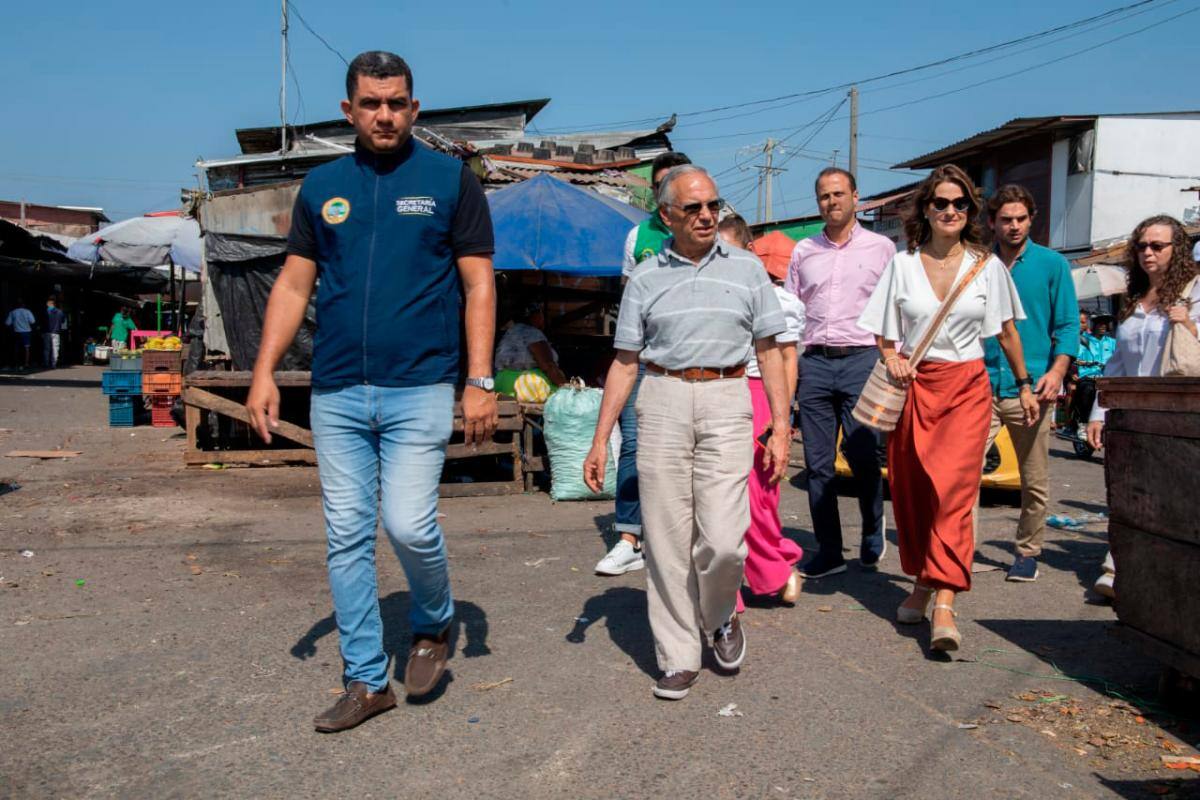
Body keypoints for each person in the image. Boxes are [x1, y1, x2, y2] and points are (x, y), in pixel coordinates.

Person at [245, 50, 498, 732]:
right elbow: (295, 285)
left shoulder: (450, 181)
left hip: (421, 385)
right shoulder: (322, 185)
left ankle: (434, 620)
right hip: (337, 392)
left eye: (396, 103)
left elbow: (478, 283)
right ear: (348, 110)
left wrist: (479, 380)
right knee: (346, 537)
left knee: (408, 523)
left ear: (414, 108)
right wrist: (264, 371)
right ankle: (365, 679)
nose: (384, 114)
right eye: (371, 103)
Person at [582, 166, 792, 700]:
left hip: (726, 398)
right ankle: (678, 654)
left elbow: (770, 350)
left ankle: (719, 615)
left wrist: (782, 425)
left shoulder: (747, 270)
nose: (706, 216)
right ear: (666, 215)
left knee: (723, 539)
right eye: (693, 208)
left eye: (713, 206)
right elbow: (625, 362)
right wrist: (601, 438)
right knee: (667, 538)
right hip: (662, 400)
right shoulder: (647, 278)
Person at [858, 164, 1038, 652]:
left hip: (966, 390)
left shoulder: (988, 266)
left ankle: (944, 603)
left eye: (960, 204)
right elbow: (882, 327)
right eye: (941, 203)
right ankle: (921, 581)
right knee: (915, 493)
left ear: (971, 211)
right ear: (926, 209)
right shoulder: (902, 263)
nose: (951, 211)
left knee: (953, 496)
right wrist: (891, 357)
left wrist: (1024, 385)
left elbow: (1006, 332)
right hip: (916, 387)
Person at [785, 167, 895, 578]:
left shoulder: (882, 248)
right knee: (817, 464)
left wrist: (892, 360)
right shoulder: (803, 251)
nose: (831, 202)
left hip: (862, 360)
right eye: (824, 196)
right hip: (813, 362)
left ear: (855, 197)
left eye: (838, 194)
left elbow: (893, 307)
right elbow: (791, 313)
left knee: (863, 452)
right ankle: (829, 549)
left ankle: (871, 526)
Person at [1086, 215, 1200, 600]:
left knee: (1169, 499)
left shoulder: (1195, 293)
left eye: (1157, 246)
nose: (1147, 253)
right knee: (1132, 494)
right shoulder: (1134, 299)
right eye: (1142, 246)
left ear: (1177, 249)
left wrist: (1189, 324)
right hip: (1133, 415)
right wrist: (1099, 412)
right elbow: (1117, 362)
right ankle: (1122, 567)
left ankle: (1126, 570)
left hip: (1177, 415)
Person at [595, 150, 693, 576]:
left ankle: (682, 537)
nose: (665, 192)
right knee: (634, 444)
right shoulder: (638, 237)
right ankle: (630, 537)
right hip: (644, 361)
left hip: (691, 364)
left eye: (674, 183)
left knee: (690, 451)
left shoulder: (709, 236)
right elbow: (628, 300)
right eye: (659, 185)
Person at [981, 185, 1079, 582]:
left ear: (1031, 219)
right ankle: (959, 550)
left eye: (1021, 218)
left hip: (1034, 389)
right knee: (965, 475)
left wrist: (1056, 372)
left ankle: (1027, 551)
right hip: (981, 384)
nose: (1014, 226)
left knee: (1033, 478)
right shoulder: (977, 263)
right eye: (1006, 219)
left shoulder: (1052, 265)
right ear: (992, 222)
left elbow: (1068, 324)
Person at [718, 213, 806, 606]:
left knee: (758, 493)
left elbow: (787, 359)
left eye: (729, 250)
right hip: (717, 391)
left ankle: (776, 564)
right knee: (717, 494)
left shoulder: (780, 300)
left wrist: (780, 416)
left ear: (749, 251)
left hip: (759, 394)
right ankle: (725, 584)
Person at [494, 300, 568, 396]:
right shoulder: (532, 333)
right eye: (541, 313)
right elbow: (548, 365)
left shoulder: (511, 331)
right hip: (525, 387)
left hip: (502, 384)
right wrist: (567, 388)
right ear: (535, 315)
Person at [1071, 312, 1116, 435]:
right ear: (1093, 324)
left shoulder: (1112, 342)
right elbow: (1075, 360)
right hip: (1088, 377)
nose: (1103, 326)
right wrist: (1088, 363)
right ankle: (1083, 424)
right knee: (1088, 390)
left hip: (1108, 379)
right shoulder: (1084, 340)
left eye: (1105, 323)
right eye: (1100, 323)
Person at [5, 299, 35, 369]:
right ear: (23, 305)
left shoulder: (12, 312)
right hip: (26, 332)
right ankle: (26, 363)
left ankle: (16, 363)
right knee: (26, 348)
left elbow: (7, 323)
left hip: (16, 332)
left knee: (16, 348)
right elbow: (32, 321)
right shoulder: (28, 312)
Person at [43, 296, 66, 369]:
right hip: (56, 332)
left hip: (47, 332)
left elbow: (42, 322)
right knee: (55, 348)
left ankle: (46, 363)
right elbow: (63, 321)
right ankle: (54, 363)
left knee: (47, 348)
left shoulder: (46, 312)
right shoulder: (60, 312)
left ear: (48, 304)